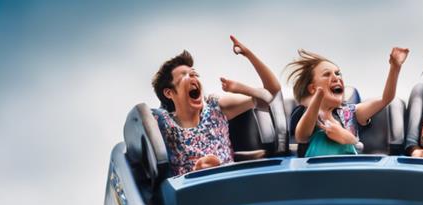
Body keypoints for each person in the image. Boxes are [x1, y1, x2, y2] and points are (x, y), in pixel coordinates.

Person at [151, 36, 281, 176]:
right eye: (185, 75)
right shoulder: (163, 124)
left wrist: (247, 58)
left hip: (230, 184)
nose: (193, 77)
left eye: (194, 73)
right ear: (169, 93)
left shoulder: (217, 108)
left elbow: (272, 93)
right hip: (190, 192)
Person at [287, 47, 409, 157]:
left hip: (349, 172)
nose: (336, 77)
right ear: (312, 88)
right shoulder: (304, 113)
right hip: (315, 174)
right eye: (327, 74)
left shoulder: (350, 113)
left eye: (337, 73)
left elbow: (385, 99)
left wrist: (395, 67)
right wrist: (318, 97)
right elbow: (302, 134)